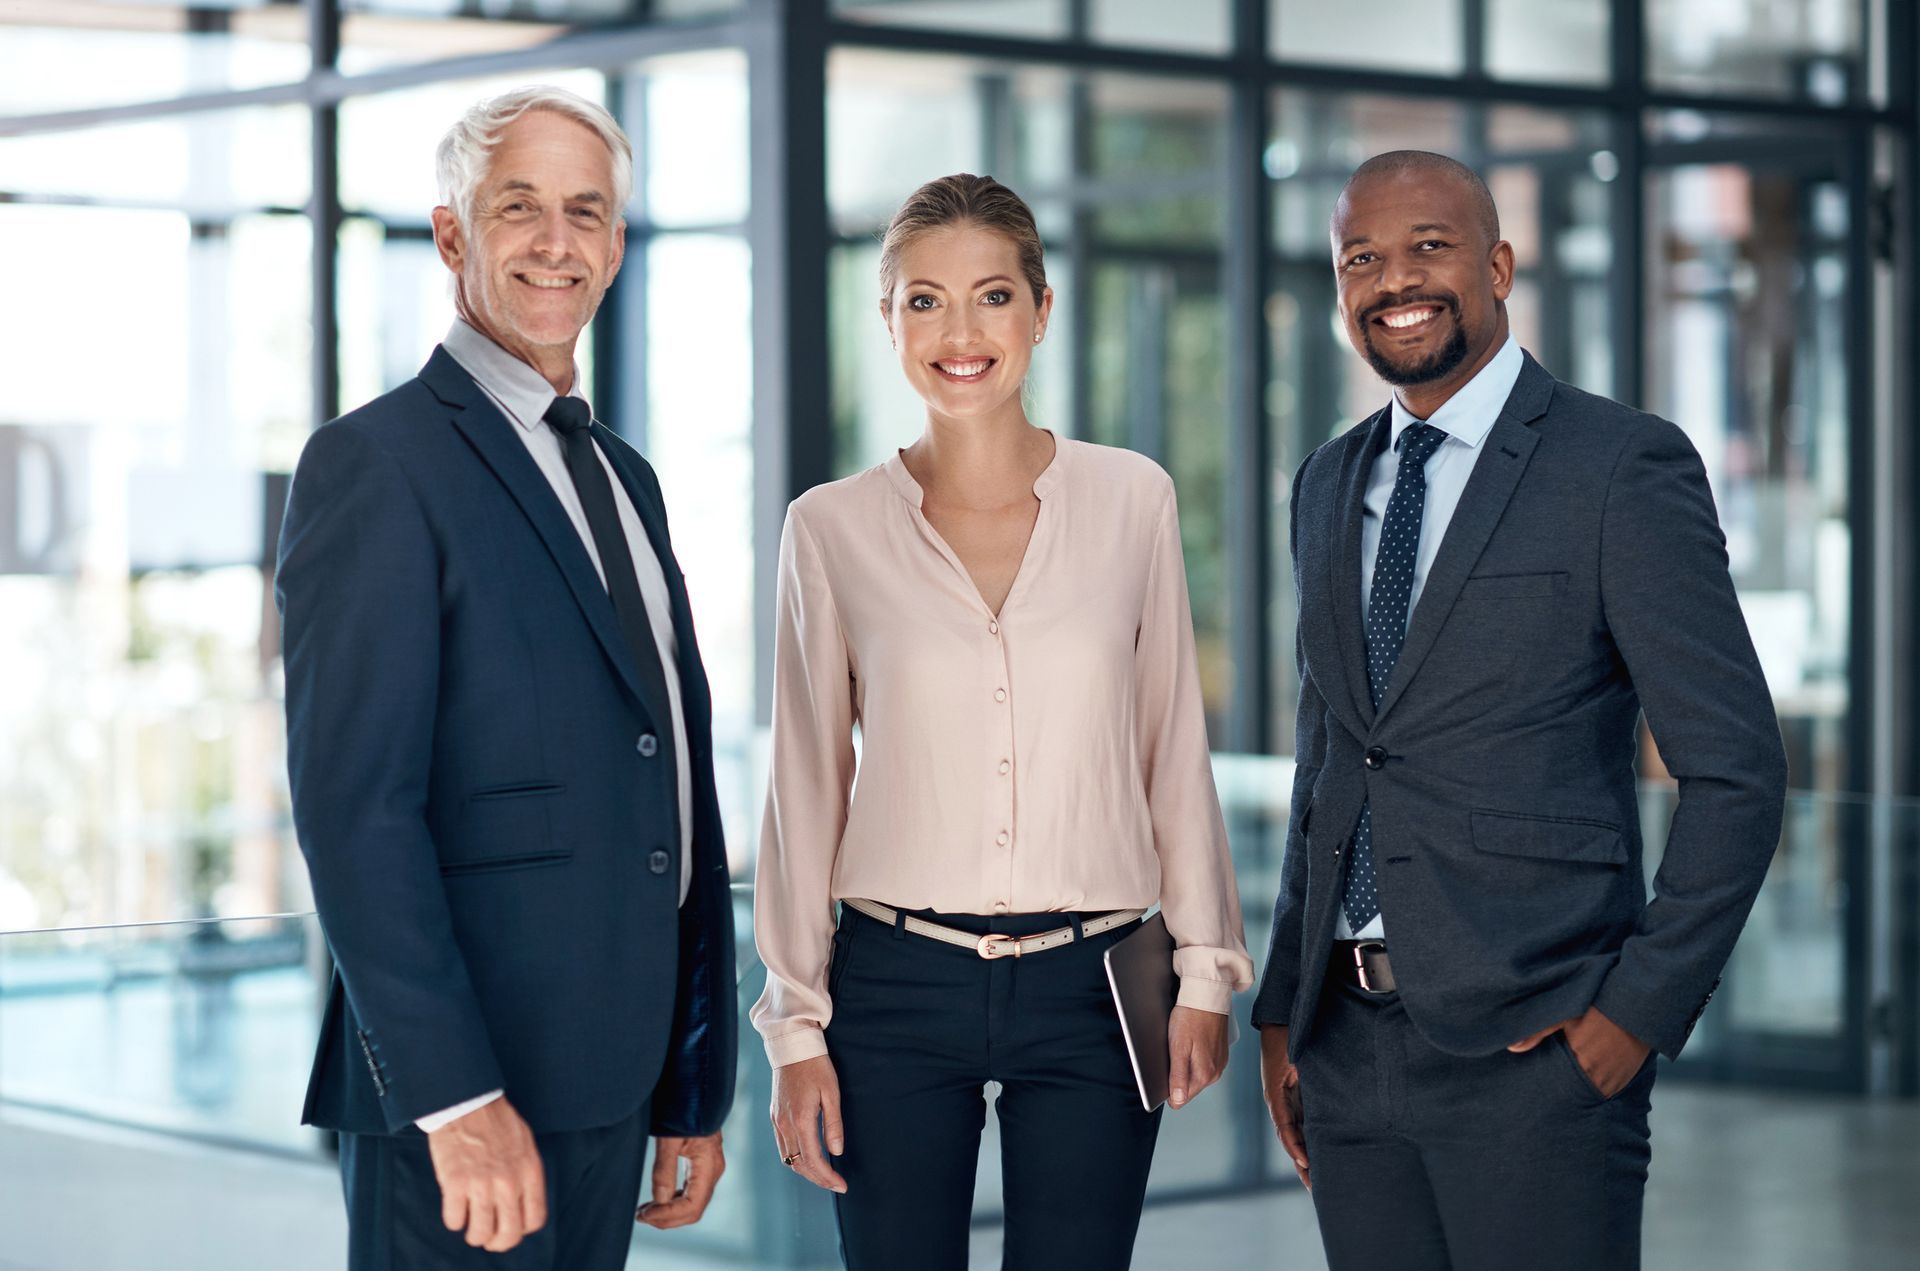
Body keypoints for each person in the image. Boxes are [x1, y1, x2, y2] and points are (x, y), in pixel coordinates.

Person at [1252, 149, 1789, 1271]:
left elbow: (1736, 769)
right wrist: (1282, 1005)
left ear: (1498, 265)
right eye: (1363, 257)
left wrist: (1634, 1012)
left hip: (1537, 1054)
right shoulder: (1326, 481)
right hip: (1345, 1049)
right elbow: (1333, 757)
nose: (1395, 279)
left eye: (1429, 247)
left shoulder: (1617, 466)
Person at [751, 173, 1254, 1269]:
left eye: (990, 295)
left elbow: (1173, 743)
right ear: (886, 321)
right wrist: (795, 1025)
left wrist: (1207, 967)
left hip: (1097, 981)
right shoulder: (828, 528)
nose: (959, 331)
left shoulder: (1133, 501)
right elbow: (804, 783)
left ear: (1040, 309)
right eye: (923, 301)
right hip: (892, 981)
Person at [277, 86, 736, 1269]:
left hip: (611, 1083)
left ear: (617, 247)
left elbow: (670, 781)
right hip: (469, 1101)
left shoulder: (625, 477)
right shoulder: (373, 464)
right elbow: (355, 810)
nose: (554, 240)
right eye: (517, 206)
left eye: (585, 212)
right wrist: (453, 1096)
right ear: (451, 236)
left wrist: (694, 1076)